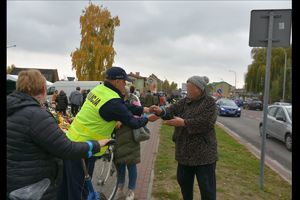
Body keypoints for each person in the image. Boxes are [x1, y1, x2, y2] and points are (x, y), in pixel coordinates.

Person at [7, 69, 111, 200]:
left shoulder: (12, 108)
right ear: (43, 89)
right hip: (34, 187)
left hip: (14, 182)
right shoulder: (36, 115)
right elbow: (67, 149)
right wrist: (95, 144)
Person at [57, 66, 159, 200]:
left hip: (72, 140)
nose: (126, 85)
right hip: (84, 148)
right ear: (117, 81)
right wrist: (147, 119)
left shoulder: (100, 90)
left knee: (67, 186)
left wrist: (144, 109)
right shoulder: (112, 100)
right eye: (125, 82)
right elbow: (132, 122)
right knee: (80, 191)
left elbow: (123, 106)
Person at [150, 76, 218, 200]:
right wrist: (161, 111)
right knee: (184, 185)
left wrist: (184, 123)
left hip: (204, 155)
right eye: (187, 87)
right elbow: (171, 110)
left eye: (190, 87)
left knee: (207, 190)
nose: (188, 90)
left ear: (199, 89)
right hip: (184, 153)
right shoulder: (184, 101)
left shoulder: (209, 102)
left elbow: (207, 123)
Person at [114, 86, 146, 200]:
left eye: (122, 92)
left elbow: (139, 116)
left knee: (131, 164)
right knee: (120, 164)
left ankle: (131, 190)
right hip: (118, 137)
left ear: (126, 93)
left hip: (130, 137)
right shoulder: (115, 102)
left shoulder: (134, 101)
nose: (121, 94)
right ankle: (120, 188)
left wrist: (122, 120)